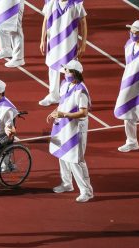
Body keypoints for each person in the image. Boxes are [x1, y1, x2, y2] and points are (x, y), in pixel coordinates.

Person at [47, 59, 93, 202]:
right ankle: (67, 183)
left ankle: (87, 191)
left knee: (76, 160)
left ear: (75, 73)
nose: (64, 72)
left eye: (67, 70)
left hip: (75, 128)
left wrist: (64, 115)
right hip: (62, 125)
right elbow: (63, 102)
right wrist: (55, 111)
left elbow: (83, 113)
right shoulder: (64, 84)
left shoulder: (81, 91)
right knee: (62, 154)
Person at [39, 0, 87, 106]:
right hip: (53, 42)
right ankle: (53, 96)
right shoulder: (51, 2)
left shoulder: (76, 4)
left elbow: (83, 22)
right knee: (52, 69)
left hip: (69, 44)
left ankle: (74, 96)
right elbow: (46, 20)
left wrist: (83, 43)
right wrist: (43, 40)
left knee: (72, 70)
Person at [114, 20, 139, 163]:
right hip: (130, 85)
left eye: (135, 33)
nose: (132, 34)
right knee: (128, 113)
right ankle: (132, 141)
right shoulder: (128, 45)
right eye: (131, 32)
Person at [0, 0, 25, 68]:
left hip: (15, 3)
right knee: (0, 22)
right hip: (3, 2)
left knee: (15, 28)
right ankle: (6, 49)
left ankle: (18, 58)